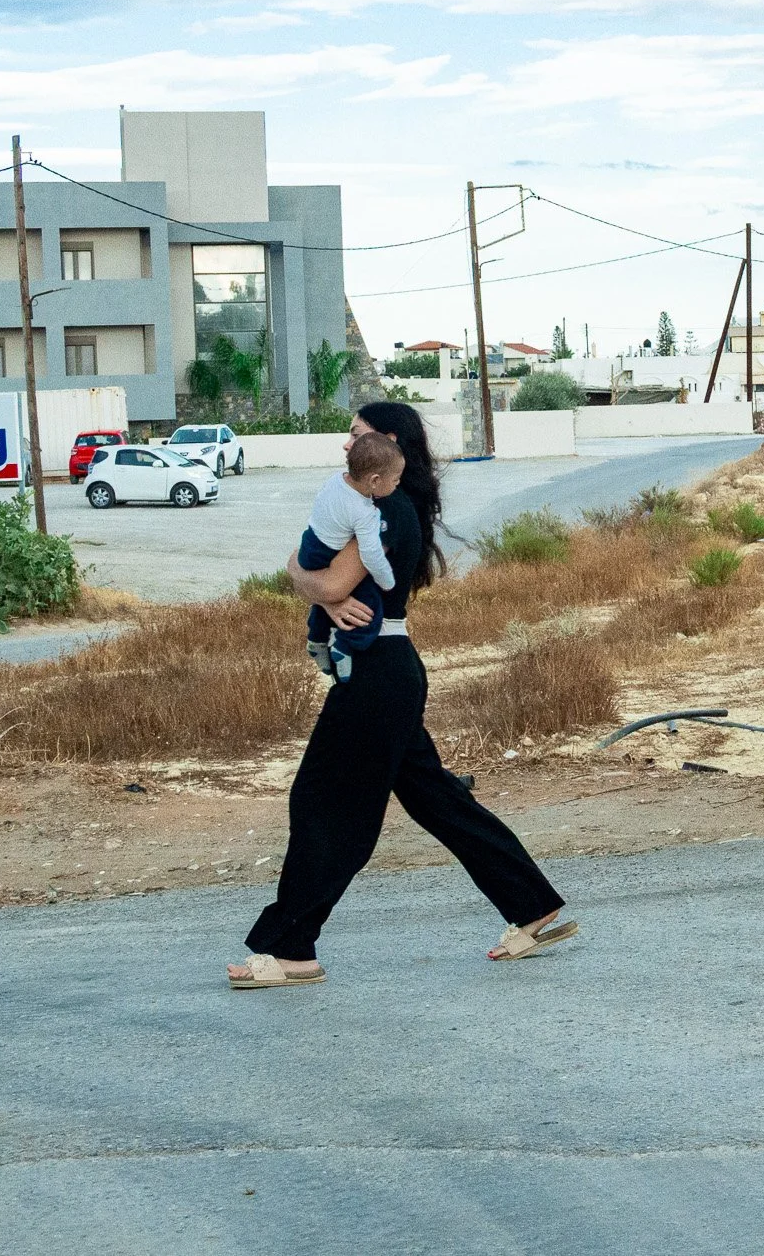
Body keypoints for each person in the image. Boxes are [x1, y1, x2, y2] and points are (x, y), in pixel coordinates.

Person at [227, 401, 576, 989]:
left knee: (326, 803)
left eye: (357, 434)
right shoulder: (379, 506)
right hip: (386, 672)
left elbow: (320, 575)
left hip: (378, 674)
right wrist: (317, 587)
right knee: (437, 799)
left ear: (387, 443)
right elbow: (305, 567)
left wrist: (318, 590)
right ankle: (531, 903)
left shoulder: (388, 511)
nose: (346, 444)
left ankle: (291, 949)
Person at [299, 432, 403, 683]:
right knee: (368, 606)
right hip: (328, 553)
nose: (398, 484)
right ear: (375, 481)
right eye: (396, 479)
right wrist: (388, 582)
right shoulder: (365, 512)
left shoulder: (335, 481)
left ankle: (316, 639)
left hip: (309, 546)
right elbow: (372, 555)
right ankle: (344, 648)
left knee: (326, 600)